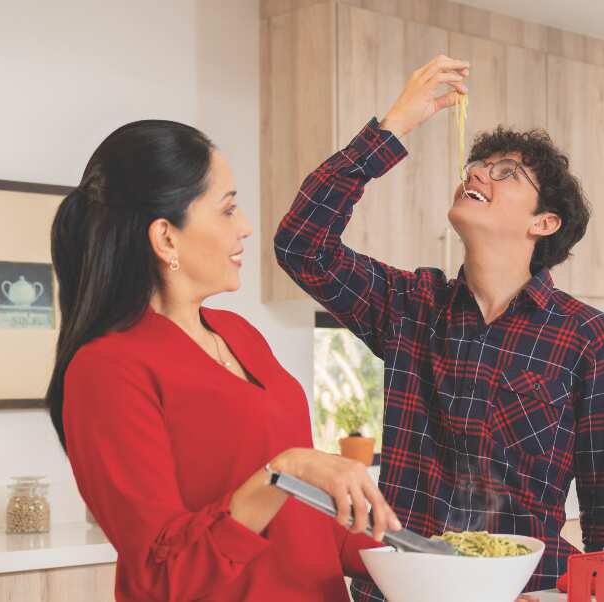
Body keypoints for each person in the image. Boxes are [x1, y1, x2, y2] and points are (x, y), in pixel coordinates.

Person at [275, 55, 604, 599]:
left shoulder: (588, 338)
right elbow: (301, 244)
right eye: (477, 166)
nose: (476, 174)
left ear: (544, 223)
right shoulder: (410, 307)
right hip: (403, 588)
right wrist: (392, 128)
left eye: (506, 173)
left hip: (523, 591)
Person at [46, 119, 400, 601]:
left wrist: (428, 562)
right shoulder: (107, 369)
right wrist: (285, 471)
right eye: (228, 209)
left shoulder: (238, 334)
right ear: (166, 238)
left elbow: (307, 524)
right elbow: (164, 576)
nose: (245, 226)